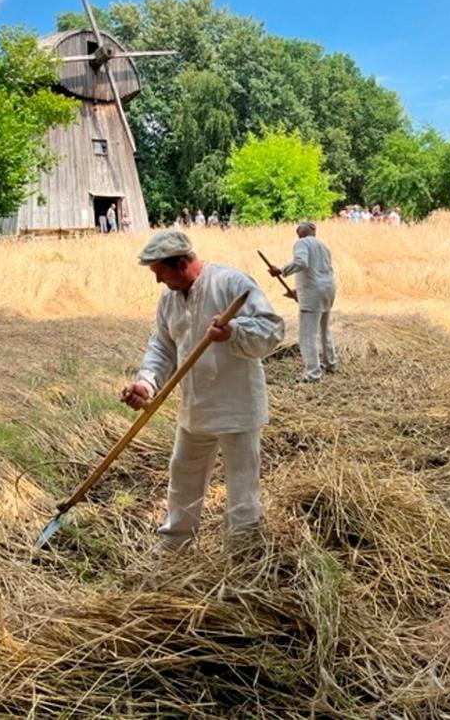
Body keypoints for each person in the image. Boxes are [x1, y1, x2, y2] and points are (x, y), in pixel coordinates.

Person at [121, 229, 284, 554]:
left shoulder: (232, 283)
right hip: (194, 409)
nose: (157, 281)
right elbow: (163, 348)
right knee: (183, 477)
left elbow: (272, 329)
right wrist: (146, 383)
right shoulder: (169, 299)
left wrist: (234, 332)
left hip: (237, 406)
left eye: (160, 273)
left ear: (181, 263)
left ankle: (243, 553)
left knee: (241, 487)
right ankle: (175, 546)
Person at [268, 221, 337, 384]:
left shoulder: (301, 243)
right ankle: (330, 363)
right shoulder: (323, 246)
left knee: (307, 334)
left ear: (300, 233)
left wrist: (280, 271)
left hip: (313, 293)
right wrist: (298, 292)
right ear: (313, 231)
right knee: (324, 329)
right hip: (328, 289)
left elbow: (302, 262)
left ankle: (312, 374)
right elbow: (318, 272)